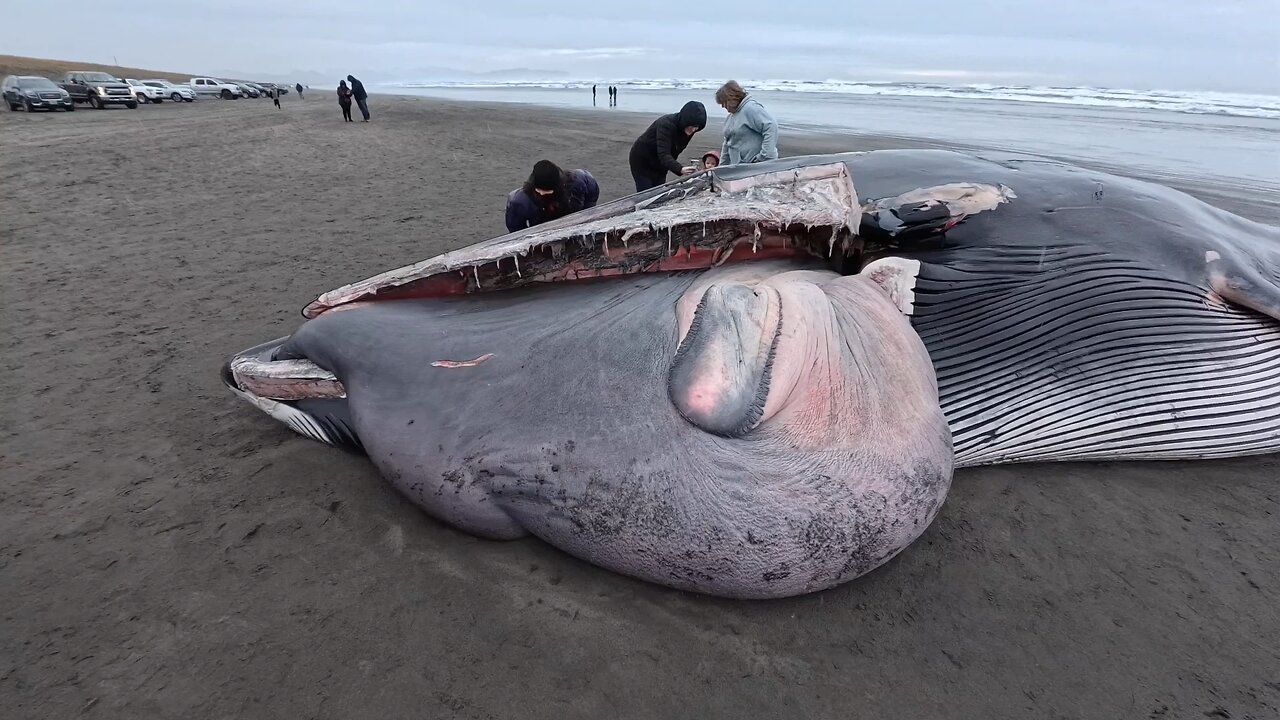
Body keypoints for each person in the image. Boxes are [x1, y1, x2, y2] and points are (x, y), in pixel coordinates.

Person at [626, 101, 707, 192]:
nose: (693, 129)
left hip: (660, 164)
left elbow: (674, 151)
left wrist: (674, 167)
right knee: (646, 194)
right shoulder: (666, 124)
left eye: (696, 127)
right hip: (642, 160)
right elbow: (664, 154)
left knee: (658, 193)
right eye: (691, 126)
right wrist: (680, 169)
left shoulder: (689, 130)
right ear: (685, 120)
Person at [504, 160, 601, 233]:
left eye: (548, 192)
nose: (542, 194)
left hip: (573, 213)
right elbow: (516, 231)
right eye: (539, 191)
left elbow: (592, 195)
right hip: (540, 225)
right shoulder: (519, 201)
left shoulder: (579, 181)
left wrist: (586, 219)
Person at [714, 80, 778, 166]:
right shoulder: (731, 117)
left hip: (759, 166)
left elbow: (771, 127)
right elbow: (727, 144)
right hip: (740, 166)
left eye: (724, 102)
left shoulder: (750, 108)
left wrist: (763, 156)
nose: (723, 106)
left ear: (733, 98)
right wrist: (721, 167)